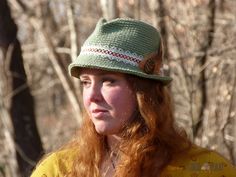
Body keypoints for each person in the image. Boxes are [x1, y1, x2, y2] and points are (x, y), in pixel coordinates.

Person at [31, 18, 236, 177]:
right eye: (86, 82)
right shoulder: (57, 171)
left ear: (144, 92)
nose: (92, 96)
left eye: (108, 81)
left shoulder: (204, 170)